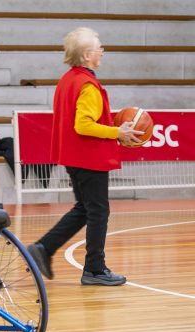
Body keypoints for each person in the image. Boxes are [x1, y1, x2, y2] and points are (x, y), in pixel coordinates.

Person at [27, 27, 143, 286]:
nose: (102, 52)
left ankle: (44, 247)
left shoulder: (68, 79)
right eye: (100, 48)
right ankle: (94, 268)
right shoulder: (88, 85)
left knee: (85, 209)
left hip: (73, 157)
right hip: (89, 157)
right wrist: (117, 131)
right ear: (89, 54)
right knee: (99, 212)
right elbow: (83, 125)